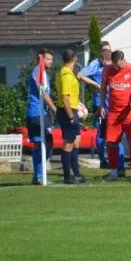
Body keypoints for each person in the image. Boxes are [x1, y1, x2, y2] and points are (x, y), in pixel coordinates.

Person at [100, 50, 131, 181]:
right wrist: (101, 105)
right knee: (111, 143)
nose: (116, 68)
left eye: (118, 65)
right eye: (114, 65)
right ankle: (113, 173)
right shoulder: (107, 70)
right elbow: (103, 88)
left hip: (129, 113)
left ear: (123, 60)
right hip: (113, 112)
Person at [78, 45, 125, 172]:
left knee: (114, 138)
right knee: (102, 134)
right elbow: (80, 75)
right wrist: (96, 85)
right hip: (102, 105)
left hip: (113, 108)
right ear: (102, 59)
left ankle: (118, 166)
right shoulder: (96, 65)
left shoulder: (116, 69)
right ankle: (105, 161)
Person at [26, 49, 57, 185]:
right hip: (36, 113)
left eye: (52, 59)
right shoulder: (38, 71)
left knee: (43, 143)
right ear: (41, 58)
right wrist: (55, 109)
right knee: (44, 143)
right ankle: (39, 175)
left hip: (40, 113)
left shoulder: (43, 73)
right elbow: (43, 94)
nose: (51, 62)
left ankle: (38, 176)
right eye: (48, 59)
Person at [55, 49, 86, 184]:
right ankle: (67, 176)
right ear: (75, 59)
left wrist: (79, 104)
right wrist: (71, 116)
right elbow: (65, 97)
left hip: (71, 109)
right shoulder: (66, 74)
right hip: (67, 111)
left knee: (75, 142)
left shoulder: (66, 73)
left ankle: (76, 174)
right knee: (68, 145)